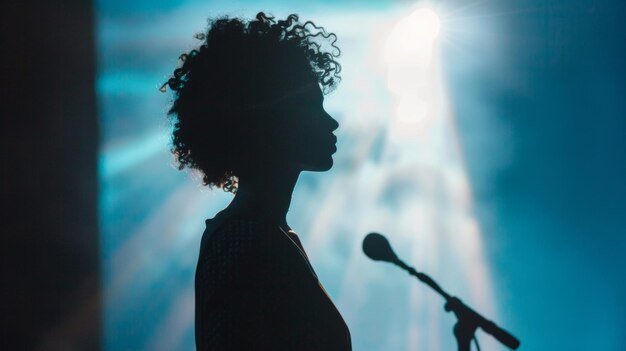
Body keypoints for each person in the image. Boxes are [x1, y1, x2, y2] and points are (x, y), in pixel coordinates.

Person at [161, 12, 351, 350]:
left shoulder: (263, 234)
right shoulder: (242, 239)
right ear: (270, 121)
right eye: (312, 107)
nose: (331, 123)